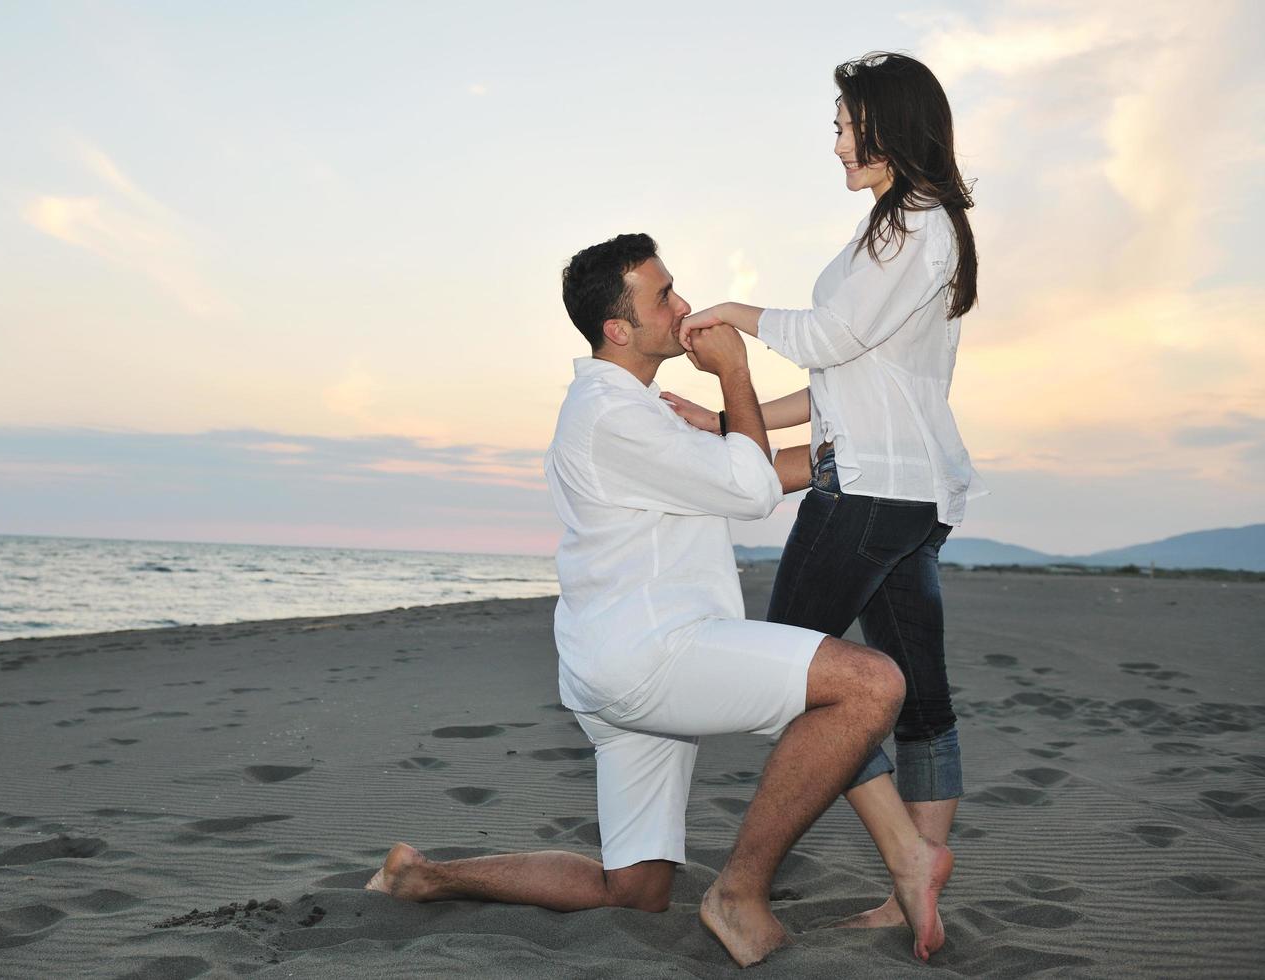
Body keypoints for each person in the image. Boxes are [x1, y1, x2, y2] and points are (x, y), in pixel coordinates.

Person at [367, 233, 951, 967]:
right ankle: (739, 891)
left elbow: (757, 470)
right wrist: (734, 373)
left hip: (612, 666)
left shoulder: (632, 410)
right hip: (654, 655)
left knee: (634, 888)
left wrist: (874, 456)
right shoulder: (615, 416)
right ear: (619, 328)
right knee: (870, 685)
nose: (682, 306)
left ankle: (424, 876)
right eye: (663, 296)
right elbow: (748, 488)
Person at [664, 51, 984, 945]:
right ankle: (913, 880)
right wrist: (727, 417)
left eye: (845, 122)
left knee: (794, 678)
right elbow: (848, 386)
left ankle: (909, 861)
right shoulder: (900, 228)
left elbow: (833, 337)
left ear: (887, 123)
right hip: (899, 490)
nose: (836, 140)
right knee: (917, 700)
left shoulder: (918, 226)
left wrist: (736, 315)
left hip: (874, 496)